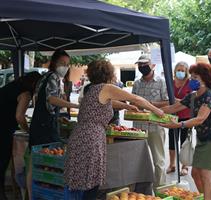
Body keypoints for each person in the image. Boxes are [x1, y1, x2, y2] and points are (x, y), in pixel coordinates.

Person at [64, 60, 164, 199]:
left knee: (82, 181)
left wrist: (127, 107)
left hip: (80, 136)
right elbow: (136, 98)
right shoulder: (106, 88)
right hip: (91, 139)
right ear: (109, 74)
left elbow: (106, 102)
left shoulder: (92, 89)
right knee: (91, 184)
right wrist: (156, 110)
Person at [160, 63, 211, 200]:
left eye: (195, 77)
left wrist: (178, 125)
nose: (191, 79)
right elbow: (173, 108)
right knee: (195, 174)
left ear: (205, 80)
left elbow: (200, 119)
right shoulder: (192, 96)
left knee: (205, 175)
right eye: (191, 76)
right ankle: (205, 197)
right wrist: (152, 112)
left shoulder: (209, 97)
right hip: (203, 139)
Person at [27, 49, 79, 199]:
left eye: (67, 64)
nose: (65, 67)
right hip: (44, 125)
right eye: (62, 63)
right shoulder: (53, 77)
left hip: (39, 123)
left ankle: (32, 195)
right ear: (54, 63)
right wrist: (73, 105)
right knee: (47, 163)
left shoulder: (45, 77)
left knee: (35, 161)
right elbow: (51, 99)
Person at [0, 72, 41, 200]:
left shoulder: (11, 86)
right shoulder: (26, 93)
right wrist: (28, 130)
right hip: (3, 129)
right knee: (2, 162)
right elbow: (19, 116)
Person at [132, 55, 169, 186]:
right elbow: (133, 102)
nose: (142, 67)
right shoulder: (136, 83)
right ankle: (140, 190)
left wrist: (149, 104)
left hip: (155, 126)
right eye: (140, 65)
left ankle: (160, 188)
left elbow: (167, 101)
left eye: (144, 64)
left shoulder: (161, 81)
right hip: (138, 126)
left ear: (152, 65)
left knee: (158, 160)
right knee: (138, 160)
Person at [166, 61, 192, 176]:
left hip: (186, 116)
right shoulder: (170, 82)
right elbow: (166, 97)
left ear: (186, 72)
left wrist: (177, 101)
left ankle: (185, 166)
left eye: (182, 70)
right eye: (178, 70)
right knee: (172, 141)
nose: (180, 72)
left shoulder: (190, 83)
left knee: (184, 142)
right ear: (175, 71)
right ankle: (172, 164)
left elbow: (192, 99)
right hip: (172, 116)